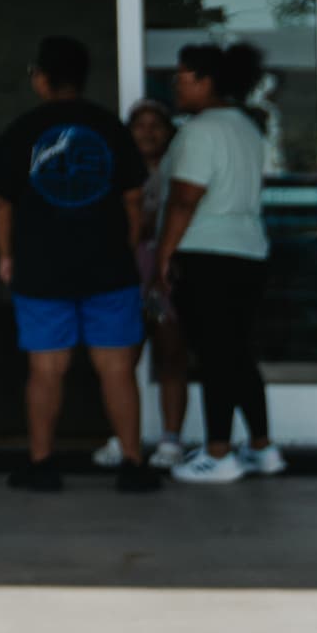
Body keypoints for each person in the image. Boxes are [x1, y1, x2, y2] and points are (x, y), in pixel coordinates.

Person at [0, 36, 161, 494]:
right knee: (118, 368)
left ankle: (42, 465)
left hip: (42, 269)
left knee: (46, 370)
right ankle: (133, 464)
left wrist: (6, 256)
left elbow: (1, 204)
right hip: (109, 268)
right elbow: (134, 198)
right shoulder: (110, 127)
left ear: (42, 78)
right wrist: (121, 247)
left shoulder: (20, 130)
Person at [158, 41, 286, 485]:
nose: (175, 84)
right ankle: (262, 447)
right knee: (237, 352)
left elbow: (184, 200)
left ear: (206, 81)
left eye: (183, 77)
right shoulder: (249, 129)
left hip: (207, 253)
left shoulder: (200, 130)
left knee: (215, 355)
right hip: (249, 251)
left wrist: (162, 255)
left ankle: (217, 453)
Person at [102, 98, 191, 469]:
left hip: (166, 274)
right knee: (122, 357)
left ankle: (171, 439)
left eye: (156, 125)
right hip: (129, 273)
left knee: (171, 352)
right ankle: (124, 439)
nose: (149, 132)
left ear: (169, 132)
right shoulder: (118, 171)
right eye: (140, 125)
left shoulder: (179, 170)